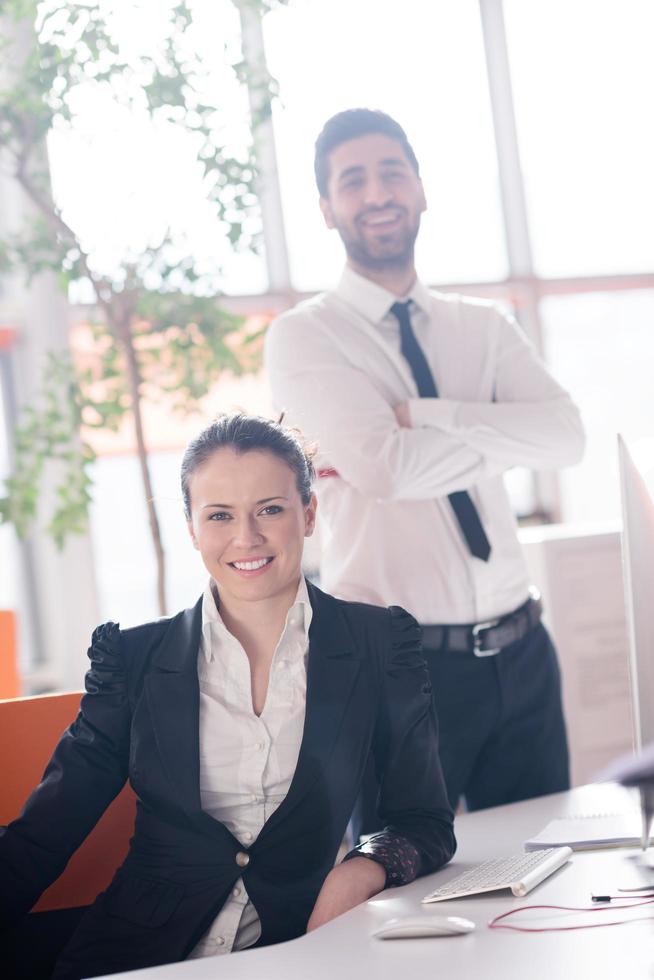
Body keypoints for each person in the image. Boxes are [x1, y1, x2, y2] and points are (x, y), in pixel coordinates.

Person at [0, 413, 455, 980]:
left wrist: (360, 869)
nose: (247, 538)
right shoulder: (133, 660)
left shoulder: (380, 644)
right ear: (191, 527)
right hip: (135, 957)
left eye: (270, 509)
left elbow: (424, 821)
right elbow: (47, 831)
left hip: (301, 950)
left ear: (309, 513)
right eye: (220, 515)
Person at [265, 108, 586, 835]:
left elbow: (566, 437)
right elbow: (385, 469)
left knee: (546, 875)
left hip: (524, 652)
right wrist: (502, 431)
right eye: (353, 180)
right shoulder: (304, 337)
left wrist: (432, 416)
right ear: (326, 209)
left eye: (392, 172)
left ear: (420, 189)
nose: (377, 192)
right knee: (397, 896)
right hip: (396, 669)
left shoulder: (484, 326)